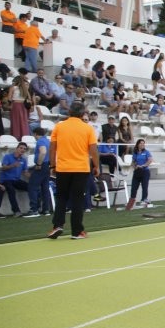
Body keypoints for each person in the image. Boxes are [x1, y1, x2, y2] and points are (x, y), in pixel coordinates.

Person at [48, 102, 99, 239]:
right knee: (77, 199)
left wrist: (52, 166)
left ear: (69, 112)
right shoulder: (88, 129)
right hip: (81, 168)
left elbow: (52, 148)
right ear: (83, 114)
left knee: (61, 197)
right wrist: (97, 166)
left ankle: (57, 226)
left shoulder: (59, 126)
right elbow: (93, 150)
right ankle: (77, 231)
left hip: (63, 167)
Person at [24, 127, 51, 217]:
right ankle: (46, 209)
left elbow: (43, 152)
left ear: (35, 134)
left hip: (41, 165)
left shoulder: (40, 141)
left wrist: (39, 164)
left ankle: (34, 209)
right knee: (45, 188)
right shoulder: (47, 141)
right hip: (47, 165)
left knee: (32, 186)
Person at [0, 142, 30, 217]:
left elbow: (25, 172)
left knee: (31, 187)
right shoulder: (8, 156)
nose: (22, 150)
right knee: (11, 190)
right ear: (17, 148)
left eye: (24, 149)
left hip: (16, 180)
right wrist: (12, 165)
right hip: (6, 180)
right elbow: (3, 168)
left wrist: (33, 178)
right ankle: (16, 211)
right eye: (21, 148)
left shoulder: (23, 160)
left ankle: (34, 208)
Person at [125, 139, 153, 210]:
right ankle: (132, 200)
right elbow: (133, 162)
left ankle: (144, 199)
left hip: (145, 171)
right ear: (138, 144)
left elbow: (150, 160)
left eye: (143, 143)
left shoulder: (146, 152)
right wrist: (135, 166)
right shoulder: (135, 152)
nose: (142, 145)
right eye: (141, 143)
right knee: (134, 187)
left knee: (144, 186)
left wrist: (143, 165)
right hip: (137, 171)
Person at [8, 72, 31, 140]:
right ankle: (24, 135)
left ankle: (16, 136)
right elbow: (29, 98)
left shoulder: (13, 87)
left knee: (16, 121)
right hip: (23, 105)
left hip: (15, 105)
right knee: (23, 121)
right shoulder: (25, 88)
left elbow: (9, 98)